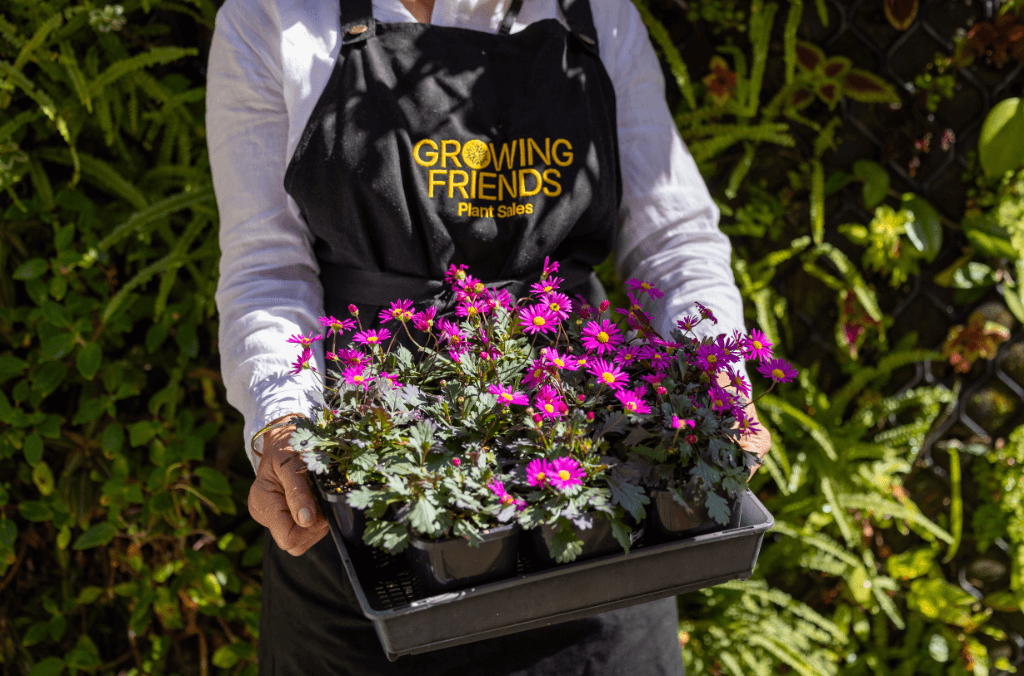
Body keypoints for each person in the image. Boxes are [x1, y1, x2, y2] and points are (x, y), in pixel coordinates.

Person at [207, 0, 772, 673]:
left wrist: (716, 380)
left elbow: (673, 238)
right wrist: (284, 426)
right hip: (374, 533)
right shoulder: (273, 15)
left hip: (590, 518)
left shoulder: (597, 15)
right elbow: (268, 270)